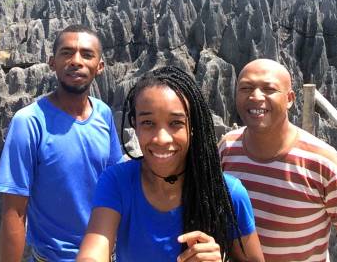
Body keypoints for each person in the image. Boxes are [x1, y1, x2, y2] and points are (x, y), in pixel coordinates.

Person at [77, 66, 264, 262]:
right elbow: (93, 250)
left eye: (176, 123)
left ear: (193, 127)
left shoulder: (228, 193)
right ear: (135, 125)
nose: (162, 139)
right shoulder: (117, 182)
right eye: (148, 123)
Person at [219, 58, 337, 261]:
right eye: (246, 88)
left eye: (269, 89)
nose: (255, 96)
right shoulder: (226, 149)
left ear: (290, 98)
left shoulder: (324, 163)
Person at [0, 25, 123, 262]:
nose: (76, 61)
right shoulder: (29, 122)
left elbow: (118, 180)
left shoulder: (103, 113)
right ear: (52, 63)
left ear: (100, 67)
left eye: (87, 54)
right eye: (66, 53)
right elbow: (14, 211)